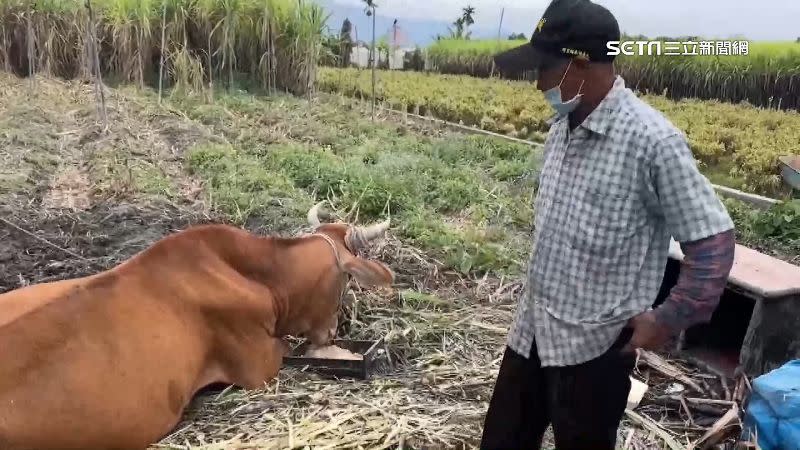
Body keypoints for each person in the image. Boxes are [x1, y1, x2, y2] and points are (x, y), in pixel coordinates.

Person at [481, 1, 737, 449]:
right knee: (502, 439)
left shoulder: (652, 141)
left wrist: (669, 317)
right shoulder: (563, 125)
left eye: (545, 68)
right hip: (534, 329)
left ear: (580, 64)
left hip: (595, 348)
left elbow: (712, 240)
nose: (538, 83)